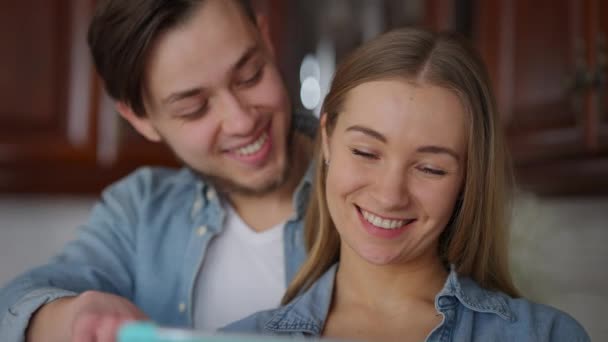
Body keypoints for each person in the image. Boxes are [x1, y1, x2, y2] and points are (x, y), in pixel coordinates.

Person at [221, 28, 591, 341]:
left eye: (430, 168)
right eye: (366, 152)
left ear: (467, 179)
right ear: (328, 140)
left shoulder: (544, 335)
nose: (389, 194)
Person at [0, 0, 316, 341]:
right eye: (194, 109)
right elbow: (14, 304)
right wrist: (72, 317)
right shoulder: (140, 211)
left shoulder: (366, 184)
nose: (241, 121)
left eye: (250, 75)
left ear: (265, 38)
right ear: (141, 120)